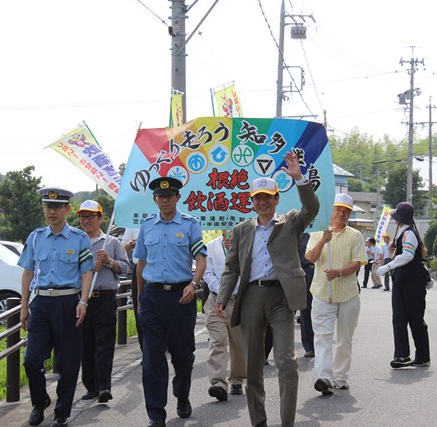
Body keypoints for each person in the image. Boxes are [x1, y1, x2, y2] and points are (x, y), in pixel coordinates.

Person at [217, 151, 319, 427]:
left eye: (267, 197)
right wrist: (223, 297)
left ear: (276, 199)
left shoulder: (291, 223)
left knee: (287, 361)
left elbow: (312, 208)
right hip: (250, 298)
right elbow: (232, 267)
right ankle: (258, 422)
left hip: (281, 298)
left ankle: (287, 422)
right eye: (257, 197)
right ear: (252, 201)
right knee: (253, 366)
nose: (262, 201)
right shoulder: (241, 230)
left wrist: (299, 177)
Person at [134, 176, 207, 427]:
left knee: (183, 355)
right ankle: (156, 414)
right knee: (152, 357)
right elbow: (141, 264)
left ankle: (182, 394)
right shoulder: (147, 226)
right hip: (153, 296)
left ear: (178, 198)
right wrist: (140, 298)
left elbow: (201, 258)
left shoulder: (190, 225)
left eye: (170, 196)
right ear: (155, 199)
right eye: (160, 196)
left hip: (181, 297)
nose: (165, 200)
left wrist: (193, 284)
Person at [18, 187, 95, 427]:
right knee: (31, 360)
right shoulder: (36, 237)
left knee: (69, 362)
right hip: (40, 302)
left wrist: (83, 301)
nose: (51, 212)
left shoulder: (79, 238)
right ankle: (39, 402)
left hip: (68, 302)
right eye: (47, 207)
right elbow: (27, 272)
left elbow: (86, 272)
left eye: (57, 207)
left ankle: (62, 413)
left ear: (66, 209)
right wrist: (23, 306)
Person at [306, 193, 365, 395]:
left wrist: (339, 272)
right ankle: (323, 377)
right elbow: (311, 258)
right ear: (331, 211)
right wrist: (323, 239)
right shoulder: (317, 232)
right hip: (322, 292)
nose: (342, 213)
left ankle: (340, 377)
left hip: (348, 294)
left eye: (346, 211)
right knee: (322, 337)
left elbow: (358, 262)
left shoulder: (355, 235)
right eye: (339, 209)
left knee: (344, 338)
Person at [77, 200, 130, 403]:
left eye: (91, 216)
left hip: (105, 298)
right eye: (83, 216)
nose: (86, 220)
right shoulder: (76, 241)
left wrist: (108, 262)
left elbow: (125, 268)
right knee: (86, 344)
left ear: (101, 218)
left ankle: (104, 387)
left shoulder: (112, 243)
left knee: (104, 344)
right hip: (82, 300)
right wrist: (90, 269)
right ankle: (90, 386)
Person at [376, 201, 431, 368]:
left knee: (415, 319)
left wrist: (387, 267)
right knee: (399, 318)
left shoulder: (409, 233)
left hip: (412, 282)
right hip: (402, 281)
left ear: (400, 218)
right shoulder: (404, 231)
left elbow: (407, 255)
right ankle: (402, 356)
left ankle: (422, 356)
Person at [203, 230, 246, 401]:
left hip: (238, 302)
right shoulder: (210, 247)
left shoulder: (246, 246)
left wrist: (235, 250)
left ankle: (237, 379)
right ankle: (218, 383)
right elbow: (207, 273)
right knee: (218, 340)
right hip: (215, 301)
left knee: (238, 343)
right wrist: (222, 291)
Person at [121, 227, 143, 350]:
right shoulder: (133, 222)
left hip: (159, 267)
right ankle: (144, 348)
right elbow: (121, 248)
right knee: (139, 309)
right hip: (139, 267)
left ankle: (164, 343)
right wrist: (131, 244)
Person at [298, 232, 315, 357]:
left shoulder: (323, 230)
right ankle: (309, 346)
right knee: (306, 310)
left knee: (323, 310)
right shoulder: (300, 232)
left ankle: (320, 344)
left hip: (322, 271)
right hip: (304, 272)